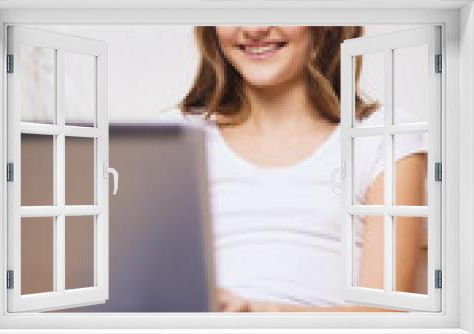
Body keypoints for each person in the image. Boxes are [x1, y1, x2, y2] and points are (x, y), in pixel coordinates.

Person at [159, 26, 427, 312]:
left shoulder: (382, 136)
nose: (254, 29)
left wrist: (259, 314)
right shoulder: (171, 136)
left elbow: (385, 314)